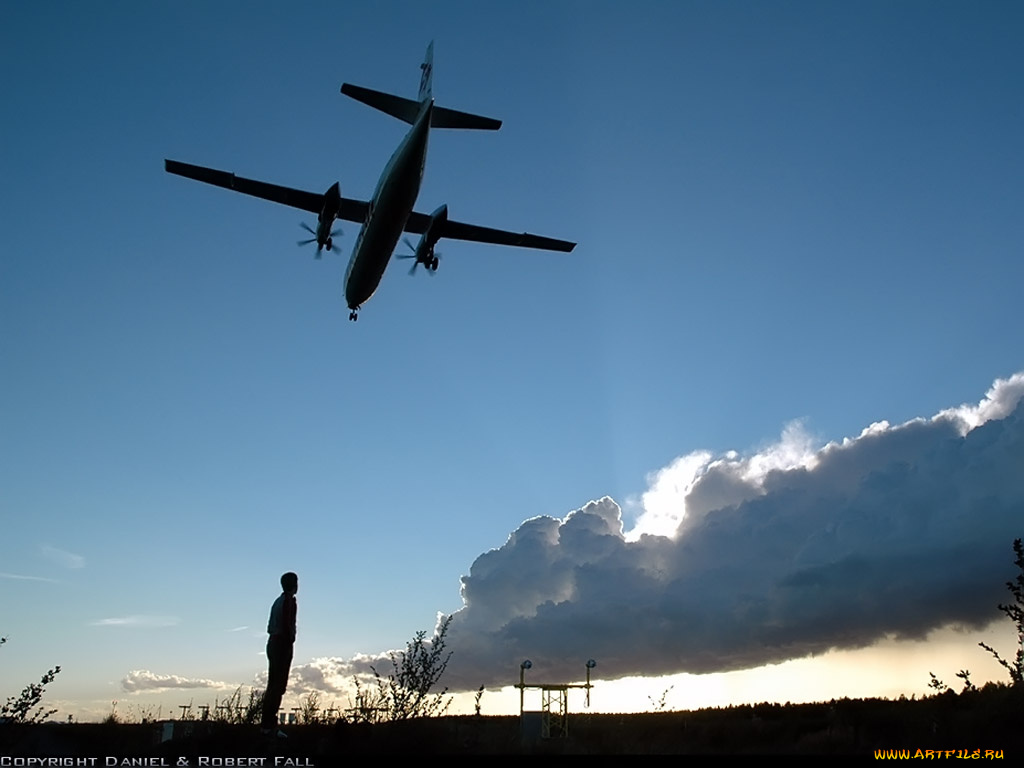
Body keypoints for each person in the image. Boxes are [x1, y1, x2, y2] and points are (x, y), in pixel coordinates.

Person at [261, 571, 297, 736]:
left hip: (274, 642)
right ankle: (269, 726)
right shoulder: (288, 601)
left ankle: (267, 724)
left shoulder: (278, 601)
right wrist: (289, 641)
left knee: (274, 684)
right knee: (278, 685)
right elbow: (287, 624)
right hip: (281, 643)